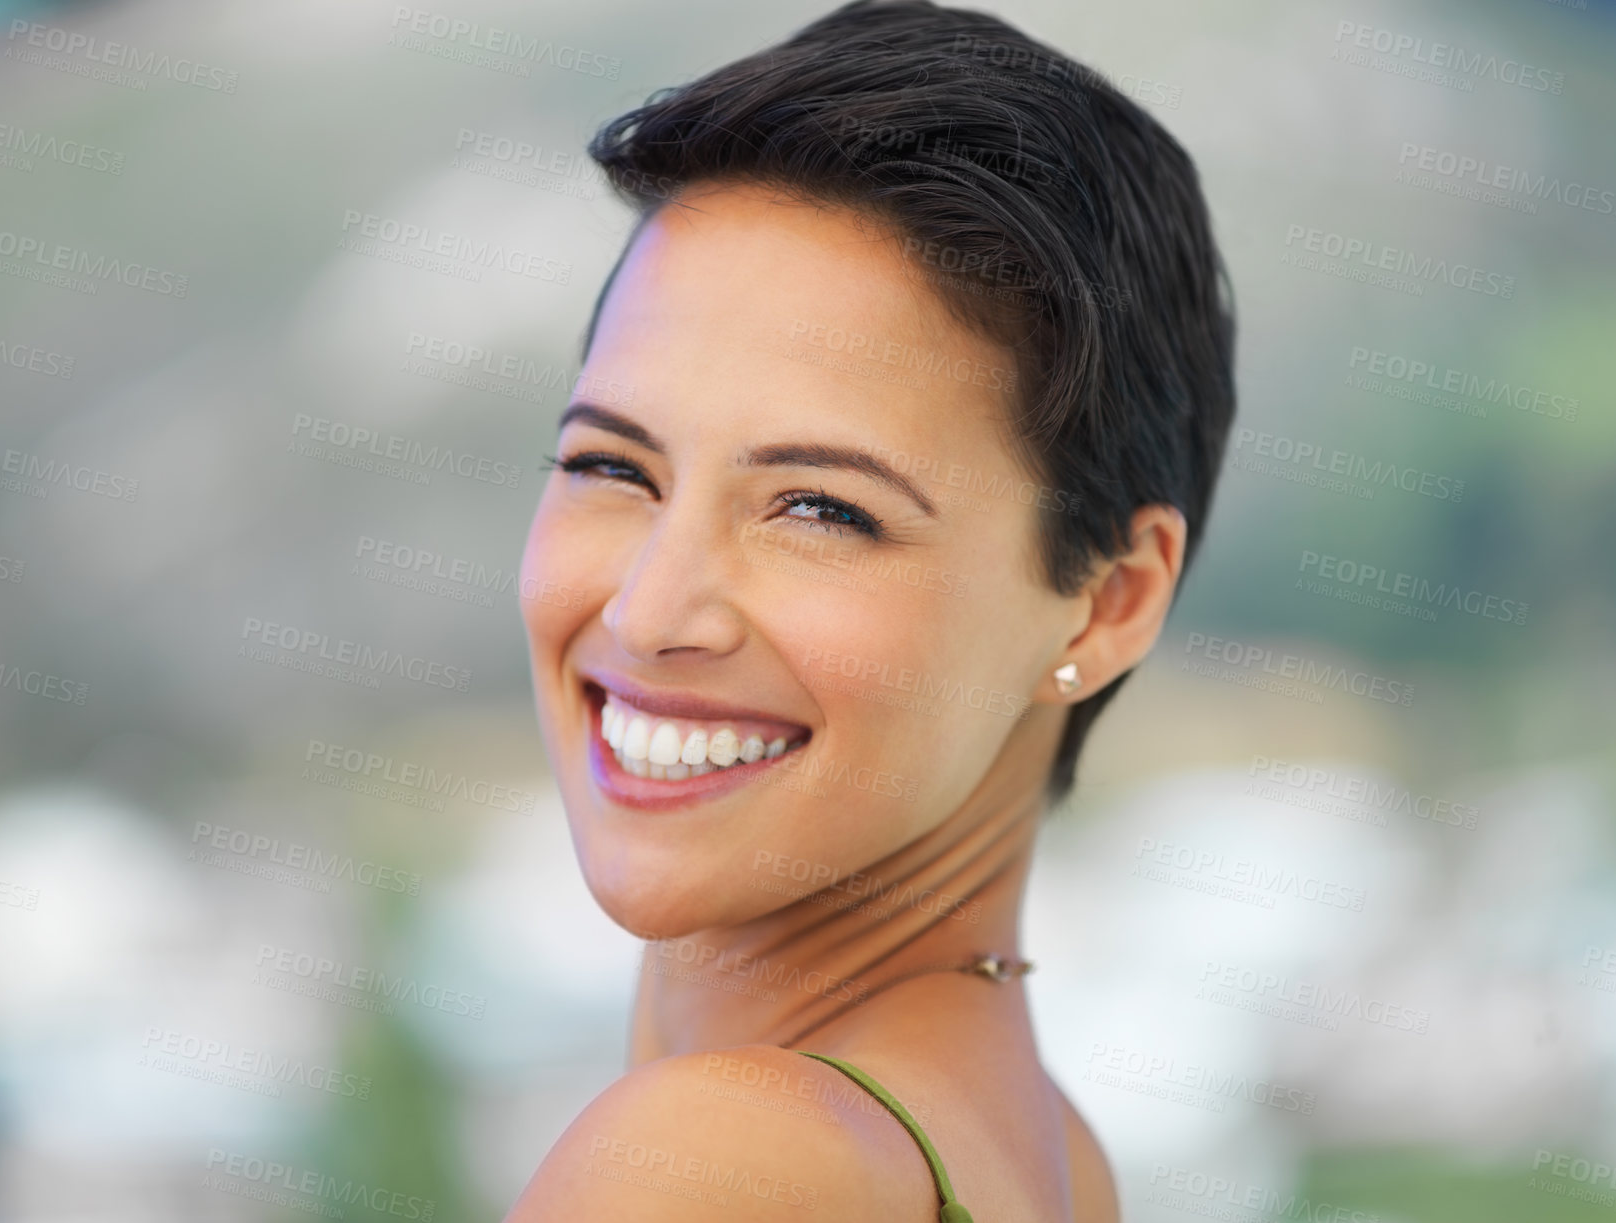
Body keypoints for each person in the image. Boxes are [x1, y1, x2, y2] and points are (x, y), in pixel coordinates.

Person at [509, 1, 1235, 1218]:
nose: (647, 611)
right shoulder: (1051, 1154)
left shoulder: (717, 1162)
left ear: (1107, 600)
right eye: (612, 467)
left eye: (820, 509)